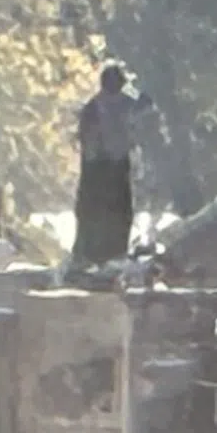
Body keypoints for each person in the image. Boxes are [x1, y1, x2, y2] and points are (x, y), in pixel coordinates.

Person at [71, 61, 148, 280]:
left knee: (103, 212)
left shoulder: (94, 107)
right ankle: (104, 253)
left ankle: (97, 253)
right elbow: (144, 107)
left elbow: (87, 141)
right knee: (111, 212)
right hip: (108, 167)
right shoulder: (119, 105)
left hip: (101, 167)